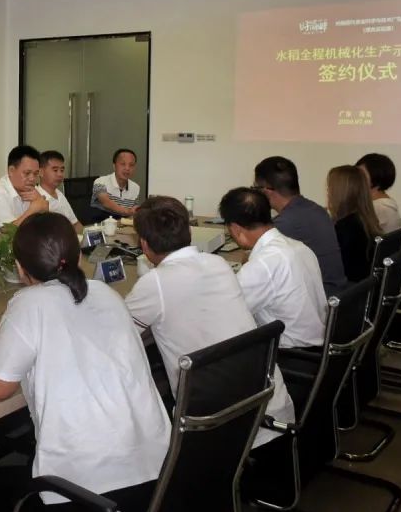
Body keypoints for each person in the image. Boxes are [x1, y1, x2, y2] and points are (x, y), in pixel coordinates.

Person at [0, 212, 170, 512]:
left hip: (88, 490)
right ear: (76, 256)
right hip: (161, 475)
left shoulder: (29, 303)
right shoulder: (106, 293)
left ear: (21, 268)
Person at [125, 196, 294, 447]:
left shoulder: (155, 284)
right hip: (266, 402)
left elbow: (118, 333)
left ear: (145, 245)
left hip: (218, 422)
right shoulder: (218, 263)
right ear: (188, 231)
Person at [219, 187, 328, 348]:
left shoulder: (264, 263)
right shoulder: (299, 247)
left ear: (235, 229)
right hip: (317, 346)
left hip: (292, 354)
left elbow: (227, 310)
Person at [253, 156, 346, 295]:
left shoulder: (284, 224)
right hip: (338, 294)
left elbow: (255, 265)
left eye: (255, 188)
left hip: (320, 300)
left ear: (266, 191)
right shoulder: (317, 210)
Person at [327, 165, 382, 282]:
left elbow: (332, 272)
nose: (328, 192)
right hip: (362, 290)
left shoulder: (344, 228)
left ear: (339, 193)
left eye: (329, 188)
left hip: (348, 293)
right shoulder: (366, 221)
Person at [0, 145, 48, 231]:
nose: (32, 178)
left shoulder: (32, 190)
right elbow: (7, 233)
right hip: (0, 243)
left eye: (36, 174)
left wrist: (45, 210)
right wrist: (33, 210)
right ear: (11, 171)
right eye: (27, 173)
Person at [36, 150, 83, 234]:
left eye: (62, 170)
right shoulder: (36, 197)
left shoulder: (59, 194)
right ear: (41, 172)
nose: (60, 174)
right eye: (55, 170)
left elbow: (75, 224)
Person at [355, 153, 401, 233]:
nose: (355, 178)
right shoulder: (386, 203)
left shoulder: (378, 208)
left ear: (376, 176)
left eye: (361, 174)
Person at [91, 148, 142, 220]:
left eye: (131, 165)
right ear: (114, 166)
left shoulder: (136, 187)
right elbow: (106, 203)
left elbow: (133, 213)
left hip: (122, 228)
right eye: (123, 164)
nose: (127, 168)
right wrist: (128, 211)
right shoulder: (100, 181)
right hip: (100, 226)